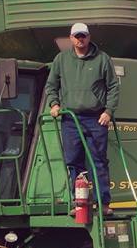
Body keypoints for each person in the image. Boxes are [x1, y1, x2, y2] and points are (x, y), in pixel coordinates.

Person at [46, 22, 120, 215]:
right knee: (73, 160)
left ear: (89, 37)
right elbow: (51, 85)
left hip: (96, 118)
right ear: (71, 38)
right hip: (70, 119)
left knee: (98, 160)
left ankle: (103, 203)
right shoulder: (61, 59)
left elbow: (113, 86)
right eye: (76, 36)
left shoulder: (103, 59)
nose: (80, 39)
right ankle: (80, 203)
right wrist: (54, 104)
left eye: (83, 36)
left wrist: (108, 111)